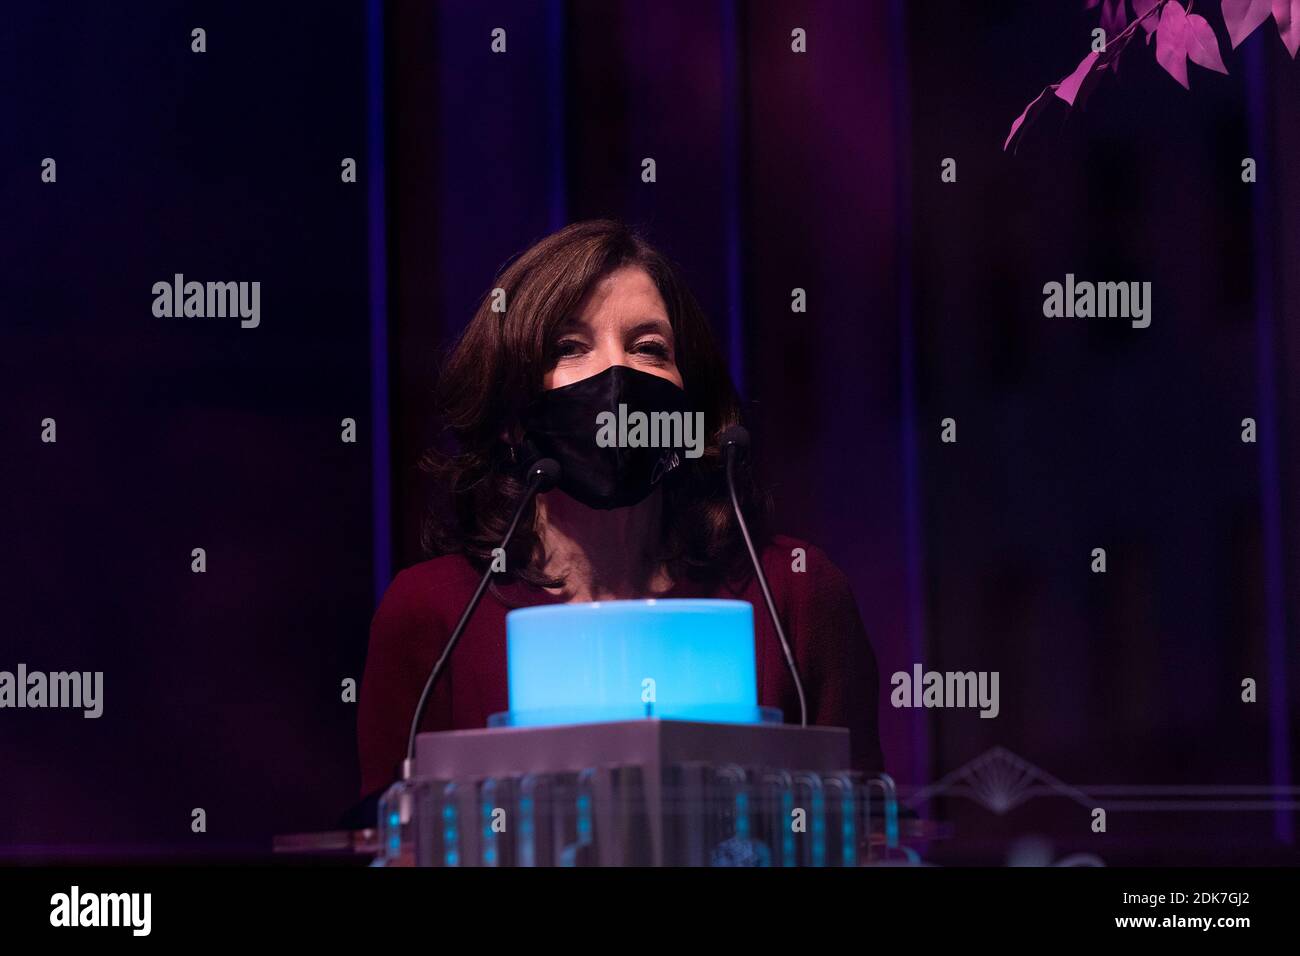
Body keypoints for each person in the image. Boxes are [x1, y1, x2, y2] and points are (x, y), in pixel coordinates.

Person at [356, 220, 883, 800]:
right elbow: (395, 838)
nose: (618, 375)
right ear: (509, 419)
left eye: (649, 348)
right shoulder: (432, 612)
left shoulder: (797, 591)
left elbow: (862, 832)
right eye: (569, 348)